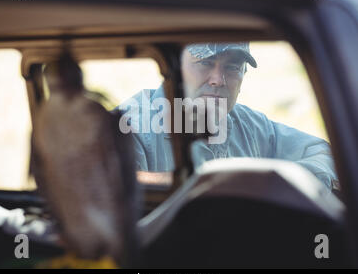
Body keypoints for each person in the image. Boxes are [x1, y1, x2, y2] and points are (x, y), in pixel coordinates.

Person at [118, 43, 338, 191]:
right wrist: (204, 184)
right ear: (176, 69)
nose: (219, 80)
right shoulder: (130, 127)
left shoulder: (251, 125)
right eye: (205, 63)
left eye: (232, 67)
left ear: (244, 76)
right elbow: (116, 188)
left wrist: (272, 182)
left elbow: (322, 152)